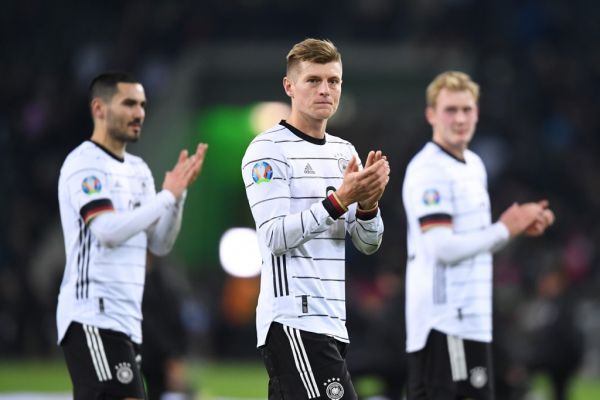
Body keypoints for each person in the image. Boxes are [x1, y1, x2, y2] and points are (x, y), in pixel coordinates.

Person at [241, 38, 390, 400]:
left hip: (333, 320)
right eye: (313, 80)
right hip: (294, 320)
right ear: (289, 86)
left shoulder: (344, 152)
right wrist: (340, 201)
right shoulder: (267, 150)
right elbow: (274, 236)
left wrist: (368, 206)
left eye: (333, 81)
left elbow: (368, 243)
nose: (325, 89)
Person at [402, 70, 554, 400]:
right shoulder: (429, 169)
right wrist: (504, 229)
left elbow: (476, 240)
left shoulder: (473, 165)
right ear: (431, 115)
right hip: (442, 323)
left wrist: (519, 226)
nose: (460, 118)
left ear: (477, 113)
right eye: (450, 110)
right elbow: (442, 247)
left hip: (473, 320)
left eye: (467, 109)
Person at [56, 72, 207, 400]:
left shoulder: (139, 169)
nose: (139, 112)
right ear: (99, 108)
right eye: (129, 103)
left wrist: (176, 199)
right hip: (91, 314)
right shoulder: (85, 164)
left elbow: (159, 244)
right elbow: (106, 231)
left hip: (126, 318)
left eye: (142, 104)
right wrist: (165, 197)